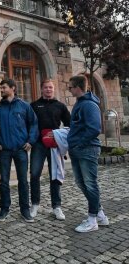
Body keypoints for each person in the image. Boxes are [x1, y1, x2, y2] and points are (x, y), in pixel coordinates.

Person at [0, 78, 38, 223]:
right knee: (4, 181)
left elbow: (34, 123)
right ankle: (4, 209)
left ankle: (25, 210)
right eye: (1, 88)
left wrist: (30, 141)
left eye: (4, 87)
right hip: (4, 150)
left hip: (20, 150)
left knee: (23, 181)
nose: (1, 90)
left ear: (13, 88)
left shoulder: (24, 106)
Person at [67, 75, 109, 233]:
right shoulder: (80, 103)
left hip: (87, 149)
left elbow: (94, 128)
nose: (69, 90)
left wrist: (79, 142)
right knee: (81, 182)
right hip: (78, 149)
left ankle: (92, 220)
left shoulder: (89, 105)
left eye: (70, 87)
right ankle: (100, 214)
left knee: (91, 184)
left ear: (78, 88)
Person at [30, 79, 71, 220]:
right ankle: (35, 204)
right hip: (38, 144)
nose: (48, 90)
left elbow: (69, 125)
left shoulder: (60, 106)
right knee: (35, 174)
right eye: (46, 87)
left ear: (53, 89)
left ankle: (57, 206)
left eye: (51, 87)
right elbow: (29, 124)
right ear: (41, 89)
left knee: (55, 175)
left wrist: (61, 137)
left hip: (55, 144)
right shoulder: (34, 105)